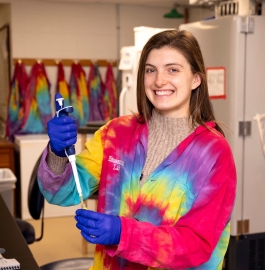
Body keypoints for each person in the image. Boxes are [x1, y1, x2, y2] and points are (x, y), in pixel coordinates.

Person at [38, 29, 236, 269]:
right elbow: (62, 192)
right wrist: (58, 154)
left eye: (172, 69)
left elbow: (198, 243)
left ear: (196, 79)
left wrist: (124, 234)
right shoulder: (116, 134)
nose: (159, 80)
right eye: (150, 70)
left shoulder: (213, 153)